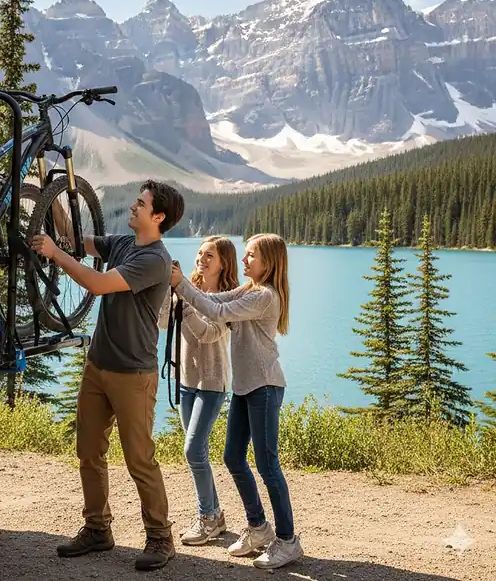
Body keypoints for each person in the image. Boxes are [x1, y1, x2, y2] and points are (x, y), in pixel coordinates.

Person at [31, 179, 185, 572]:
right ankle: (98, 529)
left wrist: (54, 255)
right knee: (89, 452)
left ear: (159, 216)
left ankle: (160, 538)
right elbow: (71, 237)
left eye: (141, 203)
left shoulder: (156, 260)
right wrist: (49, 193)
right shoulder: (122, 243)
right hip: (98, 366)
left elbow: (98, 284)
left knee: (139, 460)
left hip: (134, 374)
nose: (133, 207)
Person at [170, 233, 304, 570]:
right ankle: (259, 528)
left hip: (265, 386)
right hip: (245, 388)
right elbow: (211, 299)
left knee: (267, 465)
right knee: (232, 457)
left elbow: (216, 310)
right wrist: (181, 283)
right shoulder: (248, 289)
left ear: (268, 261)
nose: (244, 261)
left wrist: (181, 284)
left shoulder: (265, 296)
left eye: (250, 256)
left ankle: (288, 541)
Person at [158, 235, 238, 546]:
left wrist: (186, 299)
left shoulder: (229, 299)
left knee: (193, 450)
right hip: (185, 381)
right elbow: (164, 322)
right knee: (198, 452)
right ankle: (213, 516)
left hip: (212, 384)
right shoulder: (187, 289)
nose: (201, 260)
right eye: (200, 254)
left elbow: (207, 334)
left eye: (209, 256)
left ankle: (207, 516)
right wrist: (169, 290)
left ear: (223, 263)